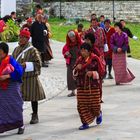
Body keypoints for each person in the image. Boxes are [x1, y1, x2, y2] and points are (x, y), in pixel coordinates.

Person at [12, 28, 46, 124]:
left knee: (33, 97)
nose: (21, 39)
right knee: (17, 99)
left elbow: (38, 64)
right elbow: (13, 61)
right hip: (19, 78)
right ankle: (17, 116)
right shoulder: (16, 49)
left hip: (31, 78)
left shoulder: (33, 50)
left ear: (27, 38)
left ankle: (35, 114)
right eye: (20, 36)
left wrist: (27, 65)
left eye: (23, 37)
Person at [73, 43, 104, 130]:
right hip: (81, 86)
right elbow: (74, 74)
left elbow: (101, 72)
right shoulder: (79, 60)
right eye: (81, 50)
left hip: (93, 87)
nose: (82, 52)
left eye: (84, 50)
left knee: (95, 105)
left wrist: (93, 73)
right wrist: (76, 69)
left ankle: (98, 114)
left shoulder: (95, 59)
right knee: (81, 105)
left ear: (89, 51)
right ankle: (85, 123)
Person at [0, 42, 24, 134]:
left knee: (15, 106)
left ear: (5, 52)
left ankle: (20, 124)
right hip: (1, 88)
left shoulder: (10, 60)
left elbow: (19, 71)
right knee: (2, 107)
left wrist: (7, 76)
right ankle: (2, 126)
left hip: (11, 87)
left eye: (0, 51)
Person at [62, 30, 82, 97]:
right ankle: (73, 91)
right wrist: (66, 54)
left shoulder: (80, 43)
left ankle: (81, 90)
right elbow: (64, 51)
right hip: (71, 62)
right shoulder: (68, 45)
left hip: (79, 61)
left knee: (80, 76)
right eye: (70, 37)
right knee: (70, 77)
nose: (72, 38)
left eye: (73, 37)